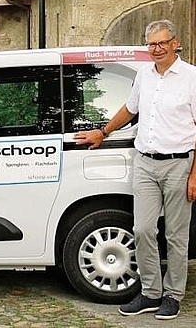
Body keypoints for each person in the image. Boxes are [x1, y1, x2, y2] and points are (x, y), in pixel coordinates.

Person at [74, 19, 196, 320]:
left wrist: (195, 175)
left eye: (161, 43)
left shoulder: (192, 77)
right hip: (145, 162)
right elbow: (130, 109)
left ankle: (173, 295)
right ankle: (151, 293)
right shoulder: (144, 75)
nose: (156, 48)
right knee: (142, 230)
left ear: (174, 42)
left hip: (180, 163)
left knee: (177, 235)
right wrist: (102, 132)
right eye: (151, 43)